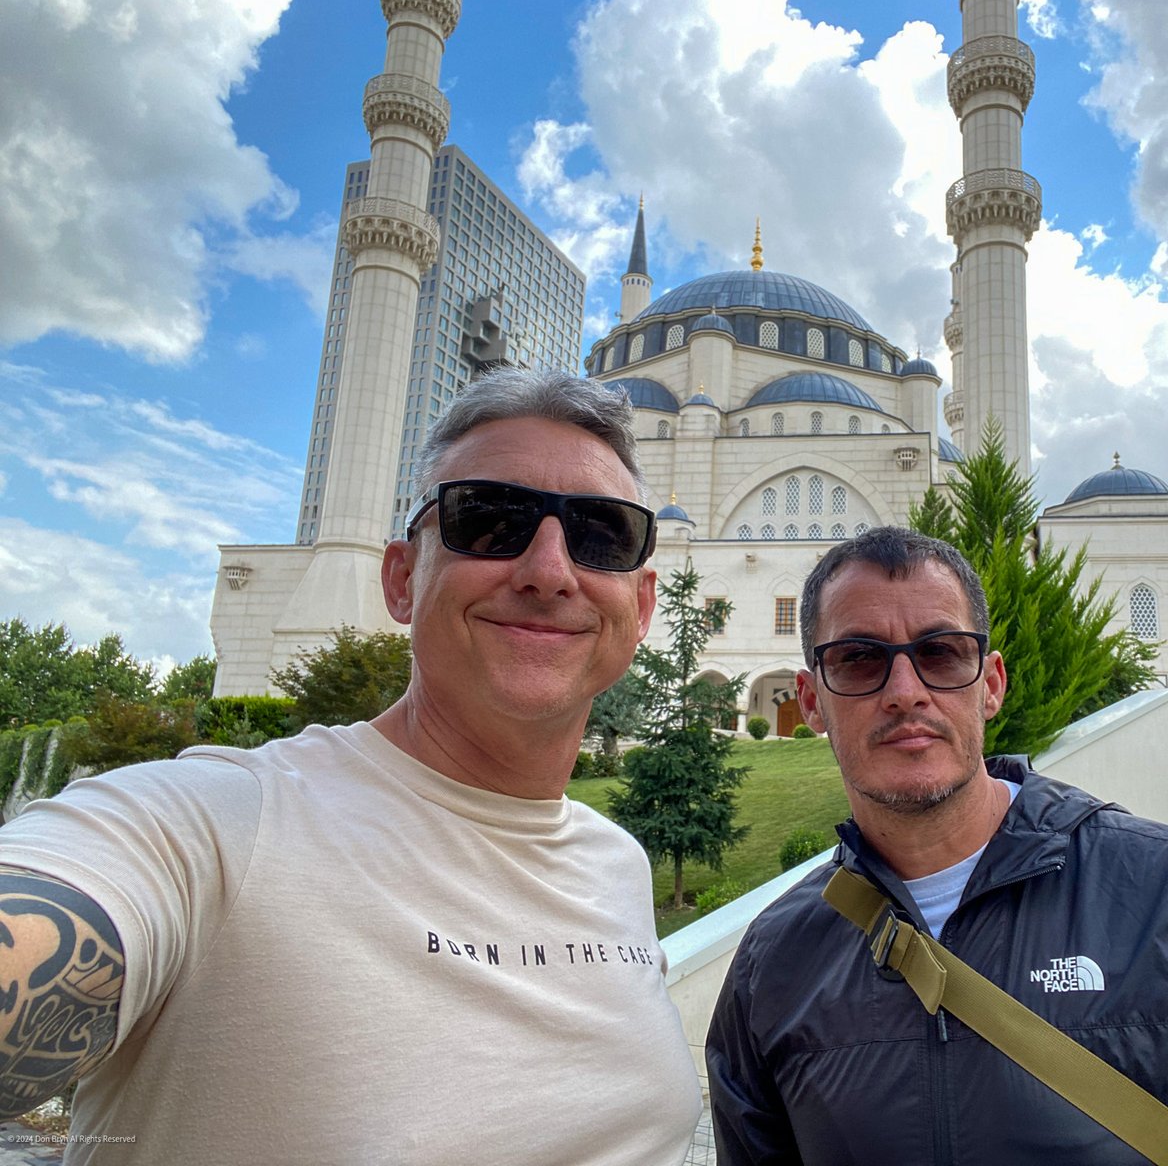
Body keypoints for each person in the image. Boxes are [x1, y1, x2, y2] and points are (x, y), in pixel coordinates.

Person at [0, 372, 702, 1164]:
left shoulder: (616, 863)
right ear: (402, 578)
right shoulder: (218, 825)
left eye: (601, 534)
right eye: (490, 521)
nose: (549, 569)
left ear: (641, 607)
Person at [706, 526, 1168, 1164]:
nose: (905, 692)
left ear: (991, 683)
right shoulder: (775, 963)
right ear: (812, 700)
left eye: (940, 653)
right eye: (859, 660)